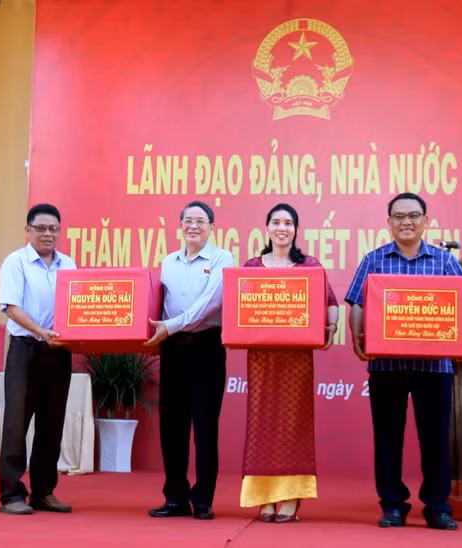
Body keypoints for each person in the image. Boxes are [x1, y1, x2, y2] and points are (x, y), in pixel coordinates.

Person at [345, 192, 462, 531]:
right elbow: (357, 304)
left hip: (435, 367)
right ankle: (392, 505)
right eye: (399, 216)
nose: (407, 221)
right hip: (386, 366)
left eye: (414, 215)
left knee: (435, 438)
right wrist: (359, 339)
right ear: (388, 222)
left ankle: (437, 506)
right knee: (387, 437)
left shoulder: (444, 261)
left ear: (426, 221)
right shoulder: (373, 260)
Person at [240, 203, 339, 523]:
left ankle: (292, 495)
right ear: (266, 228)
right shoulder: (252, 267)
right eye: (276, 222)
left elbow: (331, 303)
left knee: (293, 424)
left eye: (288, 223)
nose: (282, 227)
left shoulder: (309, 265)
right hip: (262, 359)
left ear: (296, 230)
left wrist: (332, 327)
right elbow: (237, 306)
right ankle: (264, 497)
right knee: (263, 423)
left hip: (296, 359)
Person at [145, 200, 233, 520]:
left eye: (200, 221)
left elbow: (209, 304)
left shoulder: (223, 258)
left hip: (206, 347)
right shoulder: (168, 261)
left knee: (205, 426)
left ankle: (204, 499)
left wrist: (171, 325)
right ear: (180, 225)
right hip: (173, 350)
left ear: (211, 227)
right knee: (172, 426)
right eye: (187, 220)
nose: (193, 225)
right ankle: (175, 497)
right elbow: (158, 304)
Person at [0, 203, 76, 515]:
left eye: (53, 228)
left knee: (52, 423)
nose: (47, 234)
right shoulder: (15, 262)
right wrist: (42, 331)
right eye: (40, 228)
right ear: (28, 230)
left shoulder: (68, 264)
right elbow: (12, 308)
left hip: (59, 351)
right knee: (16, 422)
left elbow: (78, 306)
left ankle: (43, 491)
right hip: (26, 349)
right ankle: (11, 494)